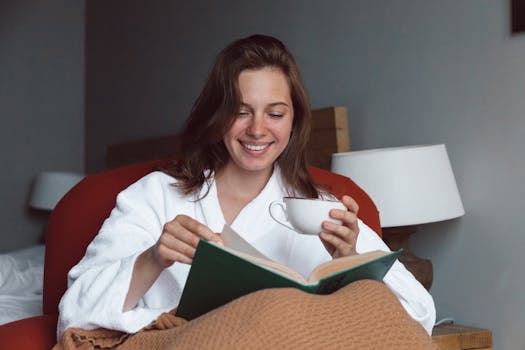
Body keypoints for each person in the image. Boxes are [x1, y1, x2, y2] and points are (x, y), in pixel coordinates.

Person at [57, 34, 435, 338]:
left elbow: (418, 315)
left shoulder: (321, 209)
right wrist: (152, 259)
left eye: (275, 113)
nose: (257, 129)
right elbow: (74, 314)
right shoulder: (155, 196)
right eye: (240, 112)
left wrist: (351, 260)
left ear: (294, 121)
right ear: (217, 115)